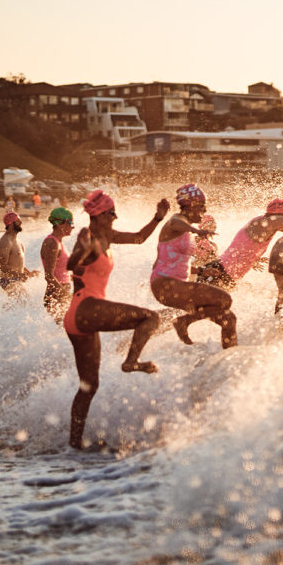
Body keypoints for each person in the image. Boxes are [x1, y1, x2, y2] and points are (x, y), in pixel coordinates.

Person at [62, 189, 169, 450]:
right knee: (150, 318)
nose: (115, 216)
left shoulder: (107, 235)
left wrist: (158, 218)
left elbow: (138, 238)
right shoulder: (87, 235)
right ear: (98, 215)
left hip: (78, 317)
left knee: (89, 385)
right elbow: (70, 264)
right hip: (86, 307)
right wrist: (81, 253)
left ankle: (73, 445)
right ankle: (131, 361)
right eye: (111, 213)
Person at [150, 184, 236, 348]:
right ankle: (183, 322)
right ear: (191, 205)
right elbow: (175, 222)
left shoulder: (185, 231)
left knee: (229, 318)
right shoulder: (178, 222)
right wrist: (196, 231)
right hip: (167, 285)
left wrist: (202, 270)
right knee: (224, 299)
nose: (204, 212)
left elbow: (174, 263)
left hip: (173, 283)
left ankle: (228, 359)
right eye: (202, 207)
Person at [40, 206, 75, 322]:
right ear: (60, 224)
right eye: (70, 222)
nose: (72, 226)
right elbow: (49, 275)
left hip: (60, 292)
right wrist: (66, 295)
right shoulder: (52, 243)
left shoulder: (59, 242)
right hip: (56, 296)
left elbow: (60, 271)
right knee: (66, 331)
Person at [0, 212, 38, 294]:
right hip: (7, 280)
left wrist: (28, 273)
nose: (21, 222)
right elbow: (2, 266)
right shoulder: (5, 242)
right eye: (18, 221)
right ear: (11, 223)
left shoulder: (17, 241)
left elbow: (17, 263)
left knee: (21, 302)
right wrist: (19, 275)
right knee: (23, 301)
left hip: (16, 278)